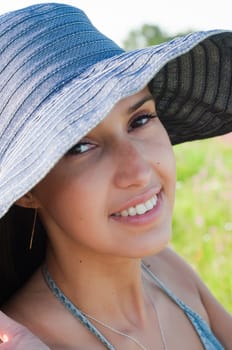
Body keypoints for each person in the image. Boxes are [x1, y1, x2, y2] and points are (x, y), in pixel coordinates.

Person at [0, 3, 231, 349]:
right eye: (79, 147)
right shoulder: (28, 341)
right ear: (27, 189)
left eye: (140, 120)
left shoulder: (166, 271)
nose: (138, 172)